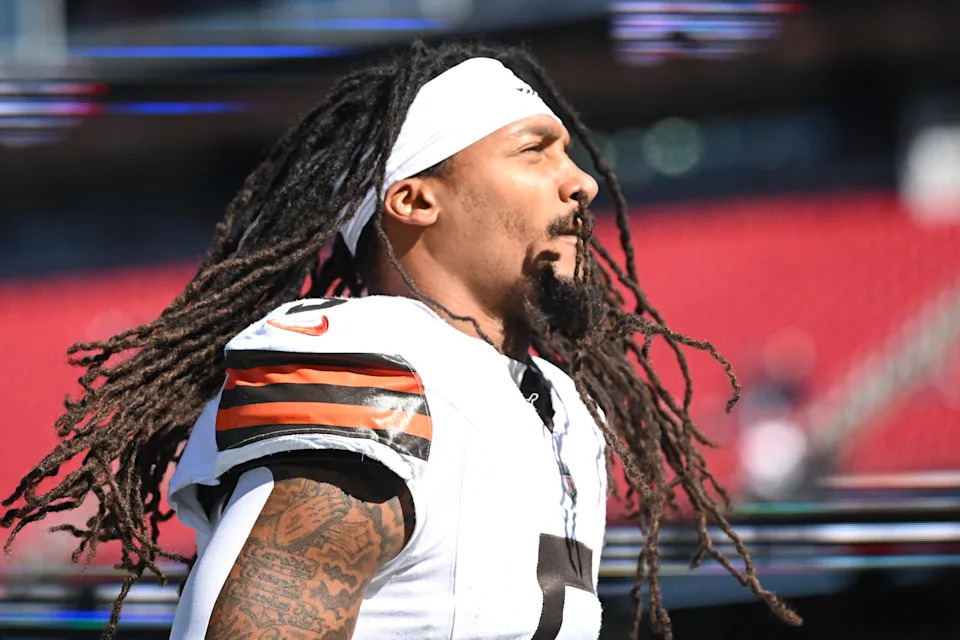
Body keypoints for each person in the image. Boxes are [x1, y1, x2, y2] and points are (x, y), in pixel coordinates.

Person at [2, 41, 800, 639]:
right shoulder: (377, 370)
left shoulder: (560, 408)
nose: (583, 181)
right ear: (415, 201)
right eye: (534, 150)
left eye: (569, 152)